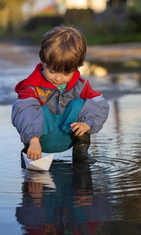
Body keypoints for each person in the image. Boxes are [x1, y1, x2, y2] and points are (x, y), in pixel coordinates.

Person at [11, 25, 109, 163]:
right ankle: (29, 155)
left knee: (80, 104)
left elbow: (100, 104)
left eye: (66, 73)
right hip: (39, 141)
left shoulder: (80, 85)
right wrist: (32, 139)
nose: (58, 78)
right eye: (52, 71)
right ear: (43, 60)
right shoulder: (32, 87)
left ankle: (81, 153)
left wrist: (88, 123)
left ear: (77, 67)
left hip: (68, 137)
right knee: (34, 107)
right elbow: (24, 111)